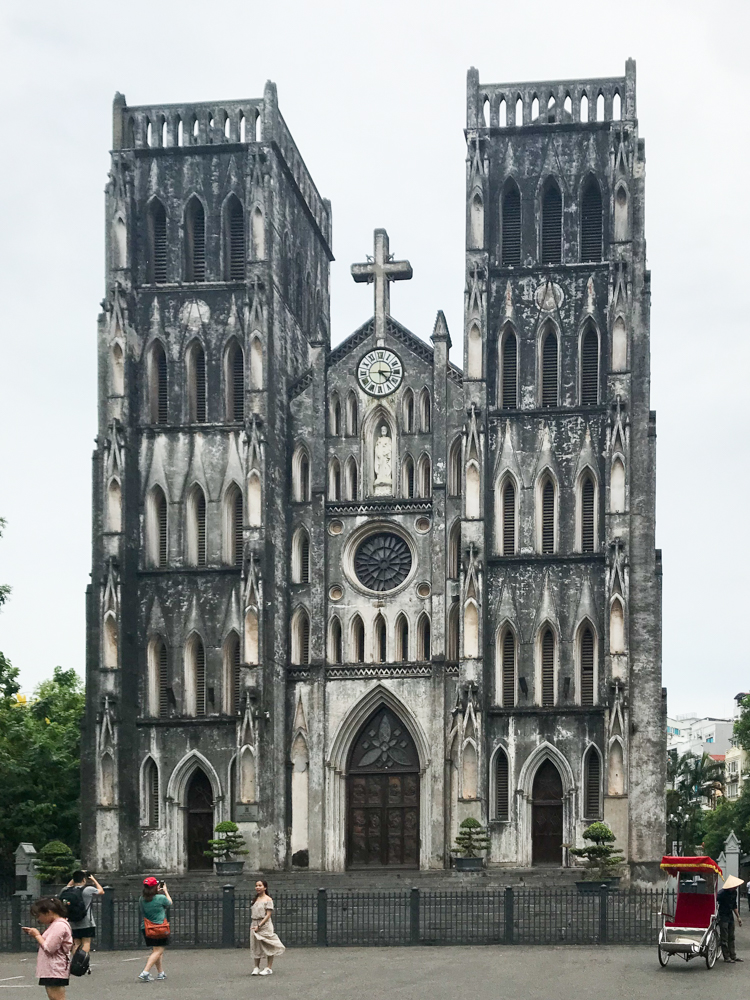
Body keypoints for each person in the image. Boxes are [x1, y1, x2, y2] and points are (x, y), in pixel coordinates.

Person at [22, 897, 73, 1000]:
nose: (38, 919)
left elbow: (50, 948)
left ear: (49, 912)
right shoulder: (57, 924)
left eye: (39, 915)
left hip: (55, 968)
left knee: (56, 997)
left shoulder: (59, 925)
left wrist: (37, 935)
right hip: (53, 968)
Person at [61, 870, 104, 955]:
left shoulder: (66, 890)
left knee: (76, 943)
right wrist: (93, 879)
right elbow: (101, 891)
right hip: (86, 921)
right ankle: (83, 963)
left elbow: (69, 885)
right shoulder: (88, 890)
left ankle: (75, 963)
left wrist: (76, 875)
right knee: (86, 943)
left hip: (72, 920)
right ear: (84, 880)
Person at [137, 877, 172, 982]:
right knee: (159, 950)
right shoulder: (160, 898)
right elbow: (169, 903)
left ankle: (160, 972)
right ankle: (145, 972)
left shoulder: (141, 899)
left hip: (147, 927)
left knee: (156, 950)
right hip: (160, 927)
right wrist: (165, 891)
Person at [250, 879, 285, 976]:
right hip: (254, 922)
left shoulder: (268, 900)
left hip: (264, 924)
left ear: (265, 887)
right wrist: (254, 925)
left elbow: (268, 915)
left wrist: (259, 925)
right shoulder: (255, 899)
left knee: (269, 944)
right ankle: (256, 967)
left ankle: (269, 967)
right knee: (255, 945)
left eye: (260, 885)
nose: (257, 887)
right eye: (256, 885)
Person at [717, 874, 744, 963]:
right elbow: (715, 903)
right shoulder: (721, 894)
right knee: (724, 937)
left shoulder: (734, 893)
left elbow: (734, 905)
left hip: (729, 915)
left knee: (731, 936)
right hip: (722, 915)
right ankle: (726, 957)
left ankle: (733, 955)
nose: (736, 887)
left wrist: (738, 917)